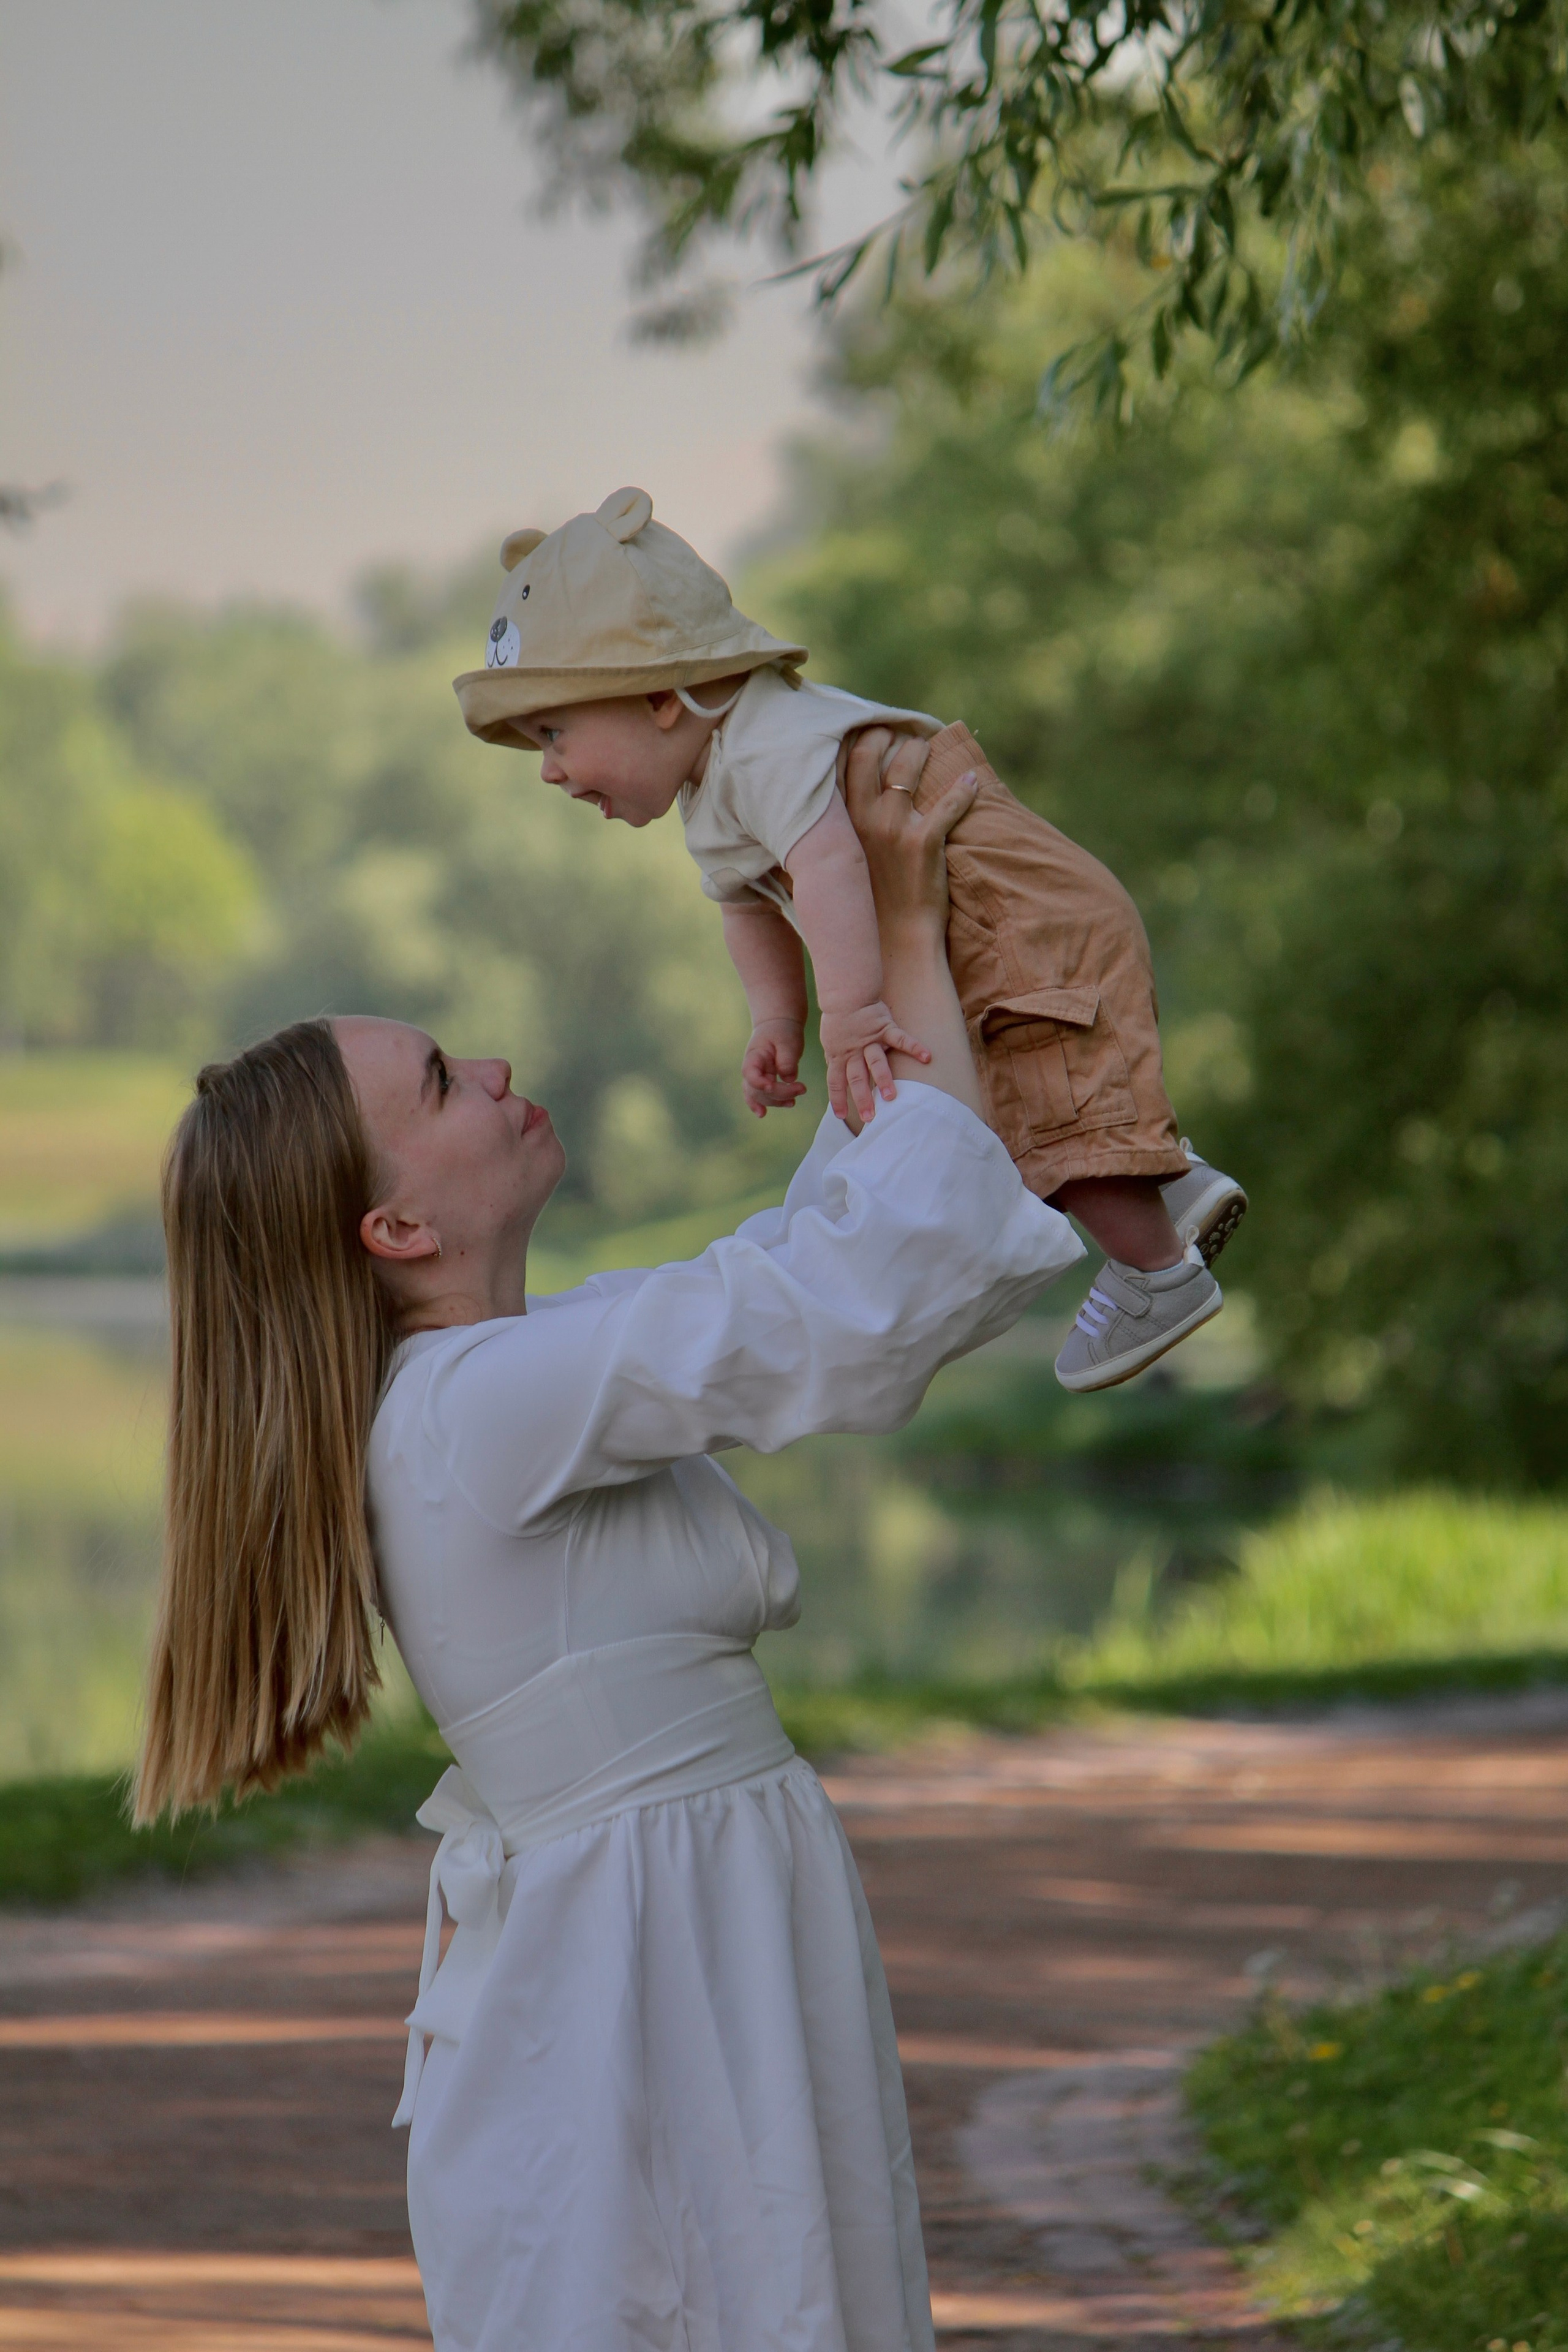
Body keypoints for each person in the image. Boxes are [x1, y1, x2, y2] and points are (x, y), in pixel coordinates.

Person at [134, 736, 1085, 2352]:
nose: (495, 1071)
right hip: (638, 1970)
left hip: (678, 1924)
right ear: (397, 1232)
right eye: (441, 1082)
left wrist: (867, 964)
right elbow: (835, 1318)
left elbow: (786, 1266)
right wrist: (905, 945)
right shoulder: (478, 1409)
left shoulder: (499, 1379)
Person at [452, 484, 1248, 1393]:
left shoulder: (763, 743)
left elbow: (829, 866)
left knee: (1028, 1096)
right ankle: (1171, 1184)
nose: (549, 771)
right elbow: (748, 905)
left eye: (555, 732)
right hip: (978, 923)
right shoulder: (712, 788)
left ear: (660, 697)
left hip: (1010, 913)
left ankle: (1157, 1277)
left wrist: (854, 1014)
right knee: (1011, 1083)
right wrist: (774, 1022)